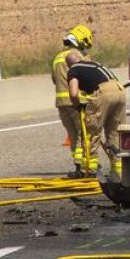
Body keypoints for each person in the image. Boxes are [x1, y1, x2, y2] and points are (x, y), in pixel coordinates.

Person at [65, 50, 127, 178]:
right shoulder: (95, 65)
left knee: (91, 132)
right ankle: (118, 170)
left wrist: (78, 105)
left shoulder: (73, 70)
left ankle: (89, 170)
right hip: (120, 91)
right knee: (114, 132)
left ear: (68, 64)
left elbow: (73, 93)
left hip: (104, 92)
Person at [53, 24, 93, 176]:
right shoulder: (79, 57)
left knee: (73, 134)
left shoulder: (57, 58)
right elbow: (87, 77)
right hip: (76, 101)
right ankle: (84, 166)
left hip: (61, 104)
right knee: (83, 134)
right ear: (81, 42)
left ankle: (79, 165)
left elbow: (54, 79)